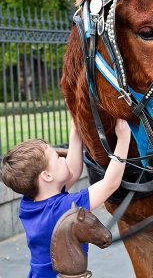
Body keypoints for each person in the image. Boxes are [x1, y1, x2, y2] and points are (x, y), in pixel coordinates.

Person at [1, 118, 131, 278]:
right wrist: (124, 138)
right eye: (57, 158)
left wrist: (76, 130)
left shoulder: (29, 204)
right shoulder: (64, 209)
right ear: (47, 176)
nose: (63, 159)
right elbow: (110, 183)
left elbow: (73, 171)